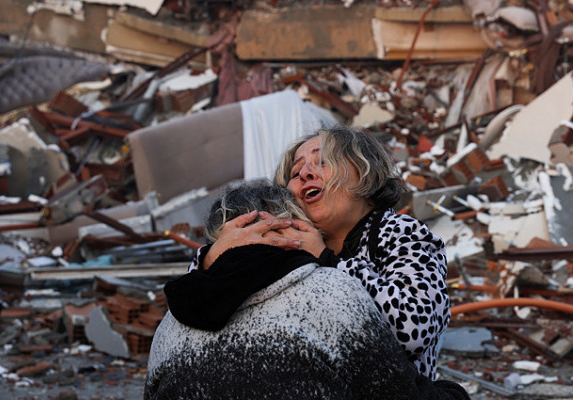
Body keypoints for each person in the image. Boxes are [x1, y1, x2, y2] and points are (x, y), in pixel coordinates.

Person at [166, 125, 450, 378]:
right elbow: (201, 310)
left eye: (323, 161)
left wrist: (328, 261)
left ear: (365, 174)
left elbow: (413, 331)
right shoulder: (286, 242)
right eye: (295, 172)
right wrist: (214, 258)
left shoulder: (401, 233)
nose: (305, 173)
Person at [145, 179, 468, 400]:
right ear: (289, 224)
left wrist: (211, 257)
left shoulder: (171, 324)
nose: (306, 175)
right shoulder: (331, 293)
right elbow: (396, 392)